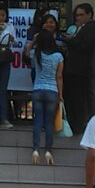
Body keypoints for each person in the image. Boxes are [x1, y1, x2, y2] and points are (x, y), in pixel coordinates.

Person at [62, 3, 95, 136]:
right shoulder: (79, 28)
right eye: (77, 15)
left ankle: (78, 126)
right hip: (73, 70)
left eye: (81, 15)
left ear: (89, 14)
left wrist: (71, 40)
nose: (78, 18)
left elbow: (86, 46)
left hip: (80, 71)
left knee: (79, 100)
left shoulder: (91, 28)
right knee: (72, 99)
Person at [28, 29, 64, 165]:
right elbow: (59, 76)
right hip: (52, 91)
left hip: (37, 89)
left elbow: (26, 53)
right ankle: (48, 150)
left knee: (38, 121)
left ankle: (36, 149)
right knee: (49, 122)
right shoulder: (58, 56)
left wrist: (33, 41)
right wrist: (60, 94)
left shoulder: (36, 54)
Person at [0, 3, 15, 129]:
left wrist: (11, 38)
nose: (1, 18)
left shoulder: (10, 26)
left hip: (5, 57)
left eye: (3, 15)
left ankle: (4, 118)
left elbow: (15, 42)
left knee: (3, 89)